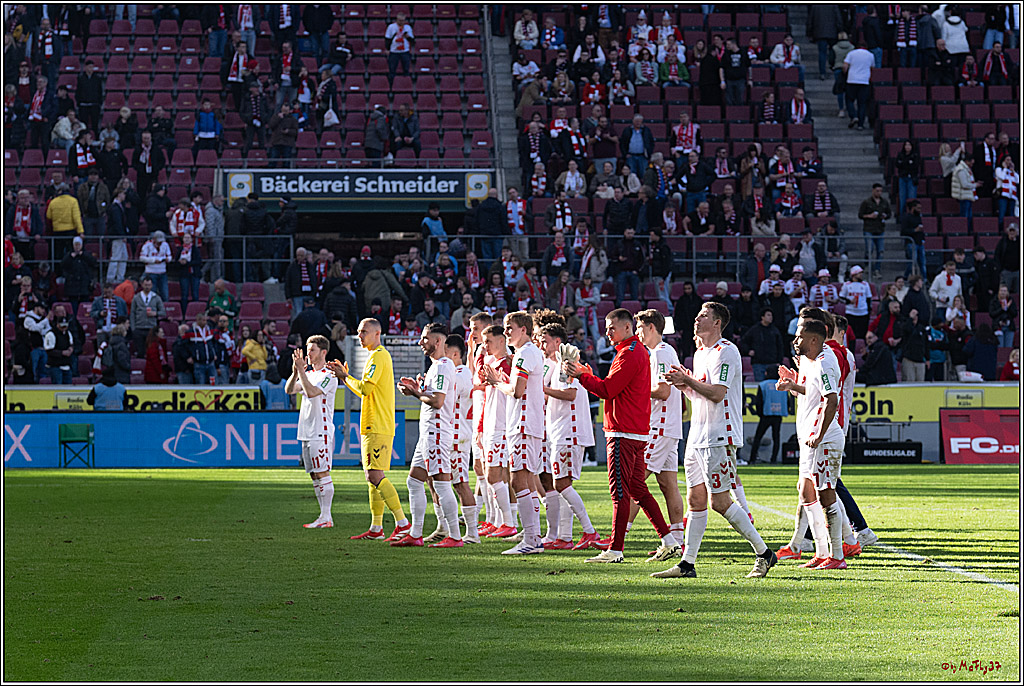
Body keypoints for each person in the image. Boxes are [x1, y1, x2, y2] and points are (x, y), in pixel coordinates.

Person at [652, 302, 776, 579]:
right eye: (697, 315)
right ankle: (687, 564)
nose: (696, 319)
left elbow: (718, 394)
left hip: (719, 435)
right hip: (698, 434)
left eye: (703, 316)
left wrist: (688, 380)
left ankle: (764, 553)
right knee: (696, 499)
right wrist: (682, 384)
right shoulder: (700, 354)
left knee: (719, 502)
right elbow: (699, 395)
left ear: (718, 322)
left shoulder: (727, 352)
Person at [565, 308, 679, 564]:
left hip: (623, 430)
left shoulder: (630, 354)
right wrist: (586, 374)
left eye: (611, 327)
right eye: (606, 327)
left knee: (620, 492)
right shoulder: (634, 352)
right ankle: (669, 539)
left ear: (627, 328)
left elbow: (608, 389)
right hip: (634, 430)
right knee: (639, 489)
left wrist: (582, 376)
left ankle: (616, 548)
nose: (607, 332)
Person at [773, 318, 847, 569]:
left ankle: (837, 556)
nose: (795, 341)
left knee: (826, 493)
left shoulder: (826, 362)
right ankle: (821, 551)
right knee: (805, 492)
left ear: (814, 339)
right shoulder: (811, 360)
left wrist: (820, 433)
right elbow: (813, 393)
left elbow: (832, 400)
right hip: (811, 439)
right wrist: (793, 385)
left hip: (824, 439)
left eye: (799, 337)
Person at [327, 318, 410, 541]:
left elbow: (365, 389)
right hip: (374, 423)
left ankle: (402, 523)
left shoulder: (378, 356)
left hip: (378, 424)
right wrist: (346, 379)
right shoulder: (376, 356)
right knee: (372, 476)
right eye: (359, 332)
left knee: (374, 474)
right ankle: (376, 528)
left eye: (364, 332)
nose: (360, 335)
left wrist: (345, 378)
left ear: (377, 333)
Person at [619, 310, 687, 550]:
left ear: (650, 327)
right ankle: (677, 540)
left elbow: (663, 390)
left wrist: (634, 390)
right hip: (667, 426)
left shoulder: (660, 353)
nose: (637, 333)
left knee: (634, 482)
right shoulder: (662, 352)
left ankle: (619, 537)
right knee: (668, 485)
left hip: (660, 426)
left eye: (639, 328)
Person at [537, 321, 606, 550]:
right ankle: (565, 537)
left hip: (570, 431)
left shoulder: (567, 364)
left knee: (562, 483)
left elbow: (570, 393)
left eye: (544, 340)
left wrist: (542, 390)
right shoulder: (557, 365)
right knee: (563, 484)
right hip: (561, 430)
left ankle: (589, 531)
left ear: (557, 341)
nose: (541, 344)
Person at [392, 323, 462, 548]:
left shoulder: (443, 366)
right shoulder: (435, 367)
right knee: (413, 481)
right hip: (429, 433)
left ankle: (455, 536)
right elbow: (432, 396)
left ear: (438, 341)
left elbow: (438, 401)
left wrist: (415, 393)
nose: (421, 342)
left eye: (425, 338)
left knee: (442, 485)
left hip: (438, 432)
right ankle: (416, 534)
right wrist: (419, 389)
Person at [285, 335, 338, 528]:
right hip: (307, 429)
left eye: (312, 350)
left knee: (322, 471)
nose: (308, 354)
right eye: (307, 350)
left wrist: (302, 372)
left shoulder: (329, 375)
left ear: (323, 352)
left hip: (320, 430)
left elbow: (312, 392)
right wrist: (295, 372)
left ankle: (326, 516)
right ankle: (323, 516)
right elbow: (289, 390)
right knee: (314, 473)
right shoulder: (310, 373)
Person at [750, 367, 788, 464]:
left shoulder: (763, 385)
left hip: (765, 415)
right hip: (778, 415)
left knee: (758, 437)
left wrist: (760, 413)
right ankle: (773, 459)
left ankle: (752, 459)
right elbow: (787, 401)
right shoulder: (782, 385)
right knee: (776, 437)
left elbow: (758, 401)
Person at [743, 308, 784, 382]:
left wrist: (779, 361)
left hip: (772, 363)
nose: (770, 317)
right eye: (768, 315)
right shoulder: (754, 330)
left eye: (771, 315)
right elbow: (744, 341)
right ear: (762, 317)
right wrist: (748, 351)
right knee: (760, 385)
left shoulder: (775, 330)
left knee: (773, 386)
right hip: (758, 363)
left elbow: (780, 346)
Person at [129, 276, 165, 357]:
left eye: (149, 285)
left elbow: (163, 312)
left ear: (152, 285)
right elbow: (132, 313)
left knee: (152, 352)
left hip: (151, 328)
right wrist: (133, 328)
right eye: (145, 285)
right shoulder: (136, 297)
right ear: (142, 285)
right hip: (139, 328)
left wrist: (155, 313)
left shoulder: (156, 297)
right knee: (140, 352)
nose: (147, 287)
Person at [842, 41, 874, 129]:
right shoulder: (870, 55)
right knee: (862, 104)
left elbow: (845, 66)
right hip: (864, 81)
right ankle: (861, 124)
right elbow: (872, 67)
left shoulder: (851, 53)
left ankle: (853, 115)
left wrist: (845, 73)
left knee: (849, 100)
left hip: (852, 79)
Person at [858, 183, 891, 265]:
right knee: (869, 249)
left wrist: (885, 216)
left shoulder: (884, 202)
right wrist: (869, 216)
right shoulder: (866, 202)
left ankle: (877, 268)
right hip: (869, 228)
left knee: (880, 251)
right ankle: (867, 266)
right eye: (877, 191)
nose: (879, 193)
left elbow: (889, 214)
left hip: (880, 229)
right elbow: (860, 215)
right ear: (873, 191)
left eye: (880, 191)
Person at [839, 265, 872, 341]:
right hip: (851, 312)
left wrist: (869, 311)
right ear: (854, 274)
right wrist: (849, 301)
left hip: (863, 313)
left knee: (862, 335)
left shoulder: (865, 284)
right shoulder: (846, 285)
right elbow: (841, 298)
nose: (861, 275)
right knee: (851, 335)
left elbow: (868, 298)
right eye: (859, 273)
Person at [384, 13, 414, 81]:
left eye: (402, 20)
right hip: (394, 51)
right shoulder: (391, 27)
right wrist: (387, 49)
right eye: (399, 20)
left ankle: (406, 83)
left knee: (406, 68)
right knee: (392, 69)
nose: (401, 22)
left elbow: (412, 40)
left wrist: (407, 36)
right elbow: (388, 39)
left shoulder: (407, 28)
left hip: (405, 51)